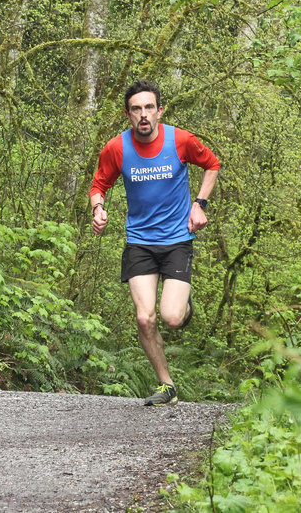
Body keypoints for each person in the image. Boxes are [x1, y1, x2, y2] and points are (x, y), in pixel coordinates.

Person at [89, 79, 220, 406]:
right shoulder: (117, 148)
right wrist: (98, 209)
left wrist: (199, 204)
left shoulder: (180, 140)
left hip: (177, 240)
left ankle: (184, 305)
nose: (143, 115)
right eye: (136, 109)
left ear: (159, 111)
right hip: (140, 243)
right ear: (128, 114)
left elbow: (212, 165)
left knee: (172, 318)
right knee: (145, 317)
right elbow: (98, 186)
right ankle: (167, 385)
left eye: (149, 108)